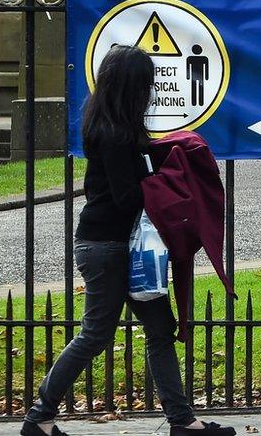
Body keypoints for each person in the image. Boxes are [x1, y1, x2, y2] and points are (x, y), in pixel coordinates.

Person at [21, 45, 235, 436]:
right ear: (130, 87)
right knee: (96, 334)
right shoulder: (115, 134)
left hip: (121, 246)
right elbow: (127, 197)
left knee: (160, 328)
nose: (152, 90)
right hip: (108, 247)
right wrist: (168, 180)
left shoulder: (116, 127)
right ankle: (39, 418)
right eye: (146, 83)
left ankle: (183, 421)